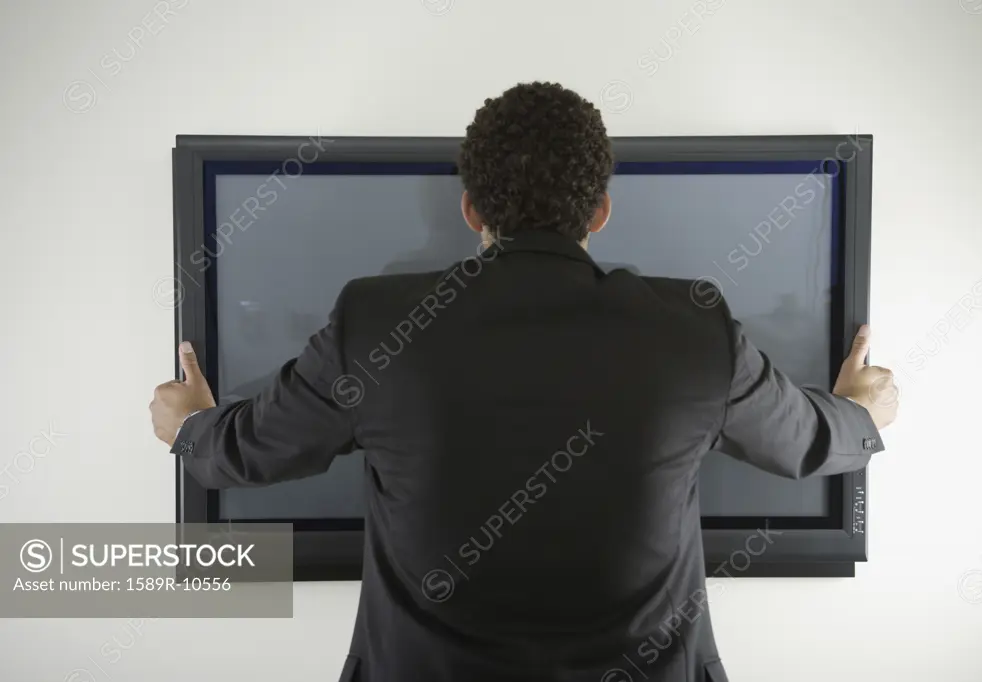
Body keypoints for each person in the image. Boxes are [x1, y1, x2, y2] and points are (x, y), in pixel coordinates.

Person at [150, 82, 898, 682]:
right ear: (600, 211)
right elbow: (808, 443)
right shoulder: (693, 328)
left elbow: (242, 455)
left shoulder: (374, 324)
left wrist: (189, 422)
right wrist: (863, 410)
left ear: (470, 208)